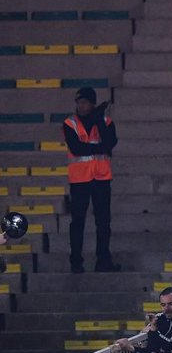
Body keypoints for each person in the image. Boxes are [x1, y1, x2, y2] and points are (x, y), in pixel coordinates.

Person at [63, 86, 119, 273]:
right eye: (79, 102)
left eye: (85, 102)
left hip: (101, 178)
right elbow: (77, 148)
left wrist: (99, 122)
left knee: (103, 222)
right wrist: (100, 148)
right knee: (78, 222)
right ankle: (76, 261)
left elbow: (111, 142)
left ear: (92, 104)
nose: (81, 106)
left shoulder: (105, 121)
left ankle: (103, 260)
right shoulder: (70, 123)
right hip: (79, 180)